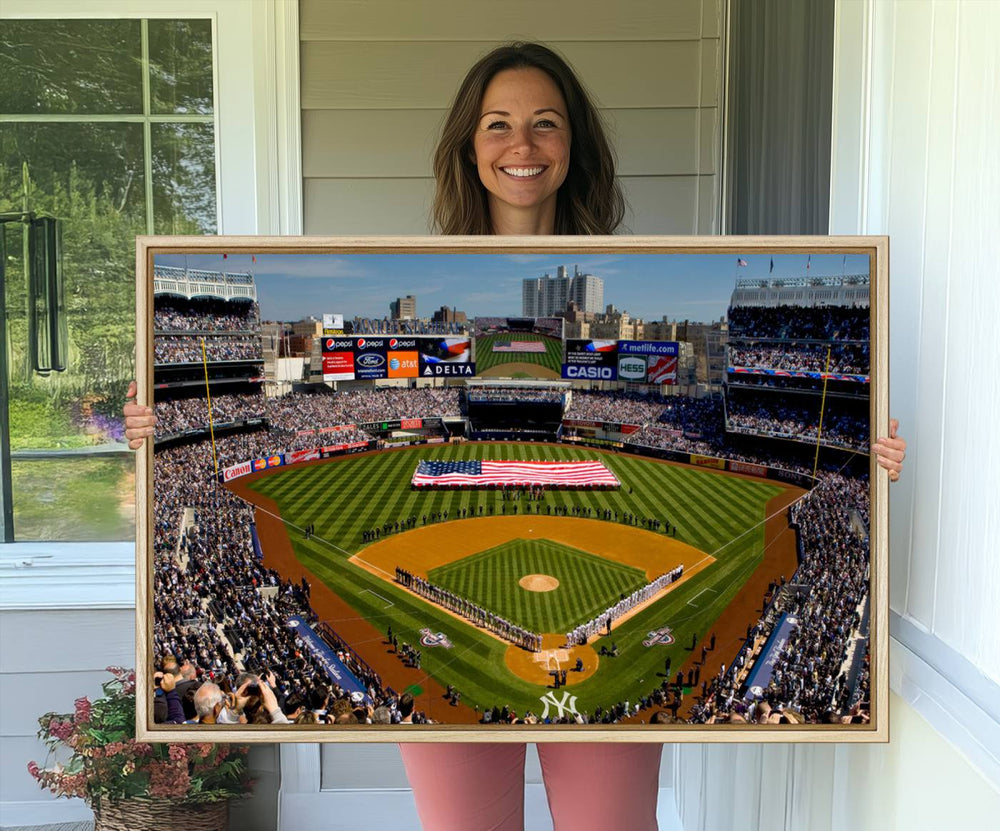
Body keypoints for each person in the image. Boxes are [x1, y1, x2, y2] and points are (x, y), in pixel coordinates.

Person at [124, 40, 908, 831]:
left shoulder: (632, 267)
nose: (521, 145)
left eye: (545, 123)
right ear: (470, 145)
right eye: (498, 124)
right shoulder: (419, 271)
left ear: (574, 146)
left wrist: (867, 458)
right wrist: (153, 430)